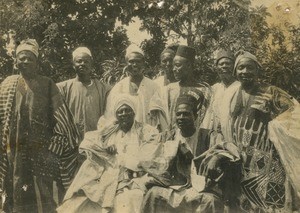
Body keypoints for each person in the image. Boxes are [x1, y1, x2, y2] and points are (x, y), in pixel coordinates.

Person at [0, 39, 79, 213]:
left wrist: (55, 147)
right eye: (22, 58)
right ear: (16, 61)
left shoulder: (47, 84)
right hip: (16, 151)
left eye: (30, 58)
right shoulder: (8, 84)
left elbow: (63, 118)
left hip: (42, 151)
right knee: (17, 189)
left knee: (44, 194)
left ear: (37, 62)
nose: (26, 61)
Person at [219, 50, 300, 212]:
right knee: (245, 205)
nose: (245, 72)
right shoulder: (231, 94)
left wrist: (275, 125)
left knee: (270, 205)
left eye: (250, 68)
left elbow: (295, 114)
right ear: (235, 72)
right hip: (241, 160)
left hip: (268, 161)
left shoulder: (271, 92)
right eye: (241, 68)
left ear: (258, 70)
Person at [57, 94, 165, 213]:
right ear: (116, 115)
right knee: (82, 201)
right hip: (110, 173)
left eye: (127, 110)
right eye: (120, 111)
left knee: (129, 199)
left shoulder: (145, 130)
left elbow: (150, 152)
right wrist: (105, 149)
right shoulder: (110, 131)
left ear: (134, 113)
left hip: (135, 176)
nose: (124, 114)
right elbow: (90, 141)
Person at [142, 91, 213, 213]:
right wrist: (174, 148)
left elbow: (220, 152)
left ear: (195, 116)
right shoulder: (168, 136)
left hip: (199, 187)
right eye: (178, 114)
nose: (181, 118)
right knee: (152, 194)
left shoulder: (207, 136)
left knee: (211, 201)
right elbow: (147, 155)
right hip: (173, 186)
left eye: (186, 114)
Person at [149, 45, 211, 131]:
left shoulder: (204, 89)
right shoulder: (169, 90)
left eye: (177, 65)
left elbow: (208, 117)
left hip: (198, 138)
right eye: (173, 66)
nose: (173, 69)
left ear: (189, 65)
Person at [57, 47, 111, 141]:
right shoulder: (62, 88)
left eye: (86, 61)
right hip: (71, 142)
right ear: (73, 65)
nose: (82, 64)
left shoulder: (104, 89)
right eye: (79, 61)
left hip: (96, 141)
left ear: (91, 64)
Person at [100, 44, 159, 127]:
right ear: (126, 64)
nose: (134, 65)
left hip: (148, 133)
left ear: (143, 63)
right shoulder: (118, 88)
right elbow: (110, 115)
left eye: (138, 61)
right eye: (131, 61)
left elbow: (159, 117)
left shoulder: (153, 87)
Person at [201, 49, 239, 147]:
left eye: (228, 63)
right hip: (214, 137)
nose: (224, 66)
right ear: (217, 68)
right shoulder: (214, 89)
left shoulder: (240, 87)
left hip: (234, 136)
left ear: (234, 66)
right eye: (221, 64)